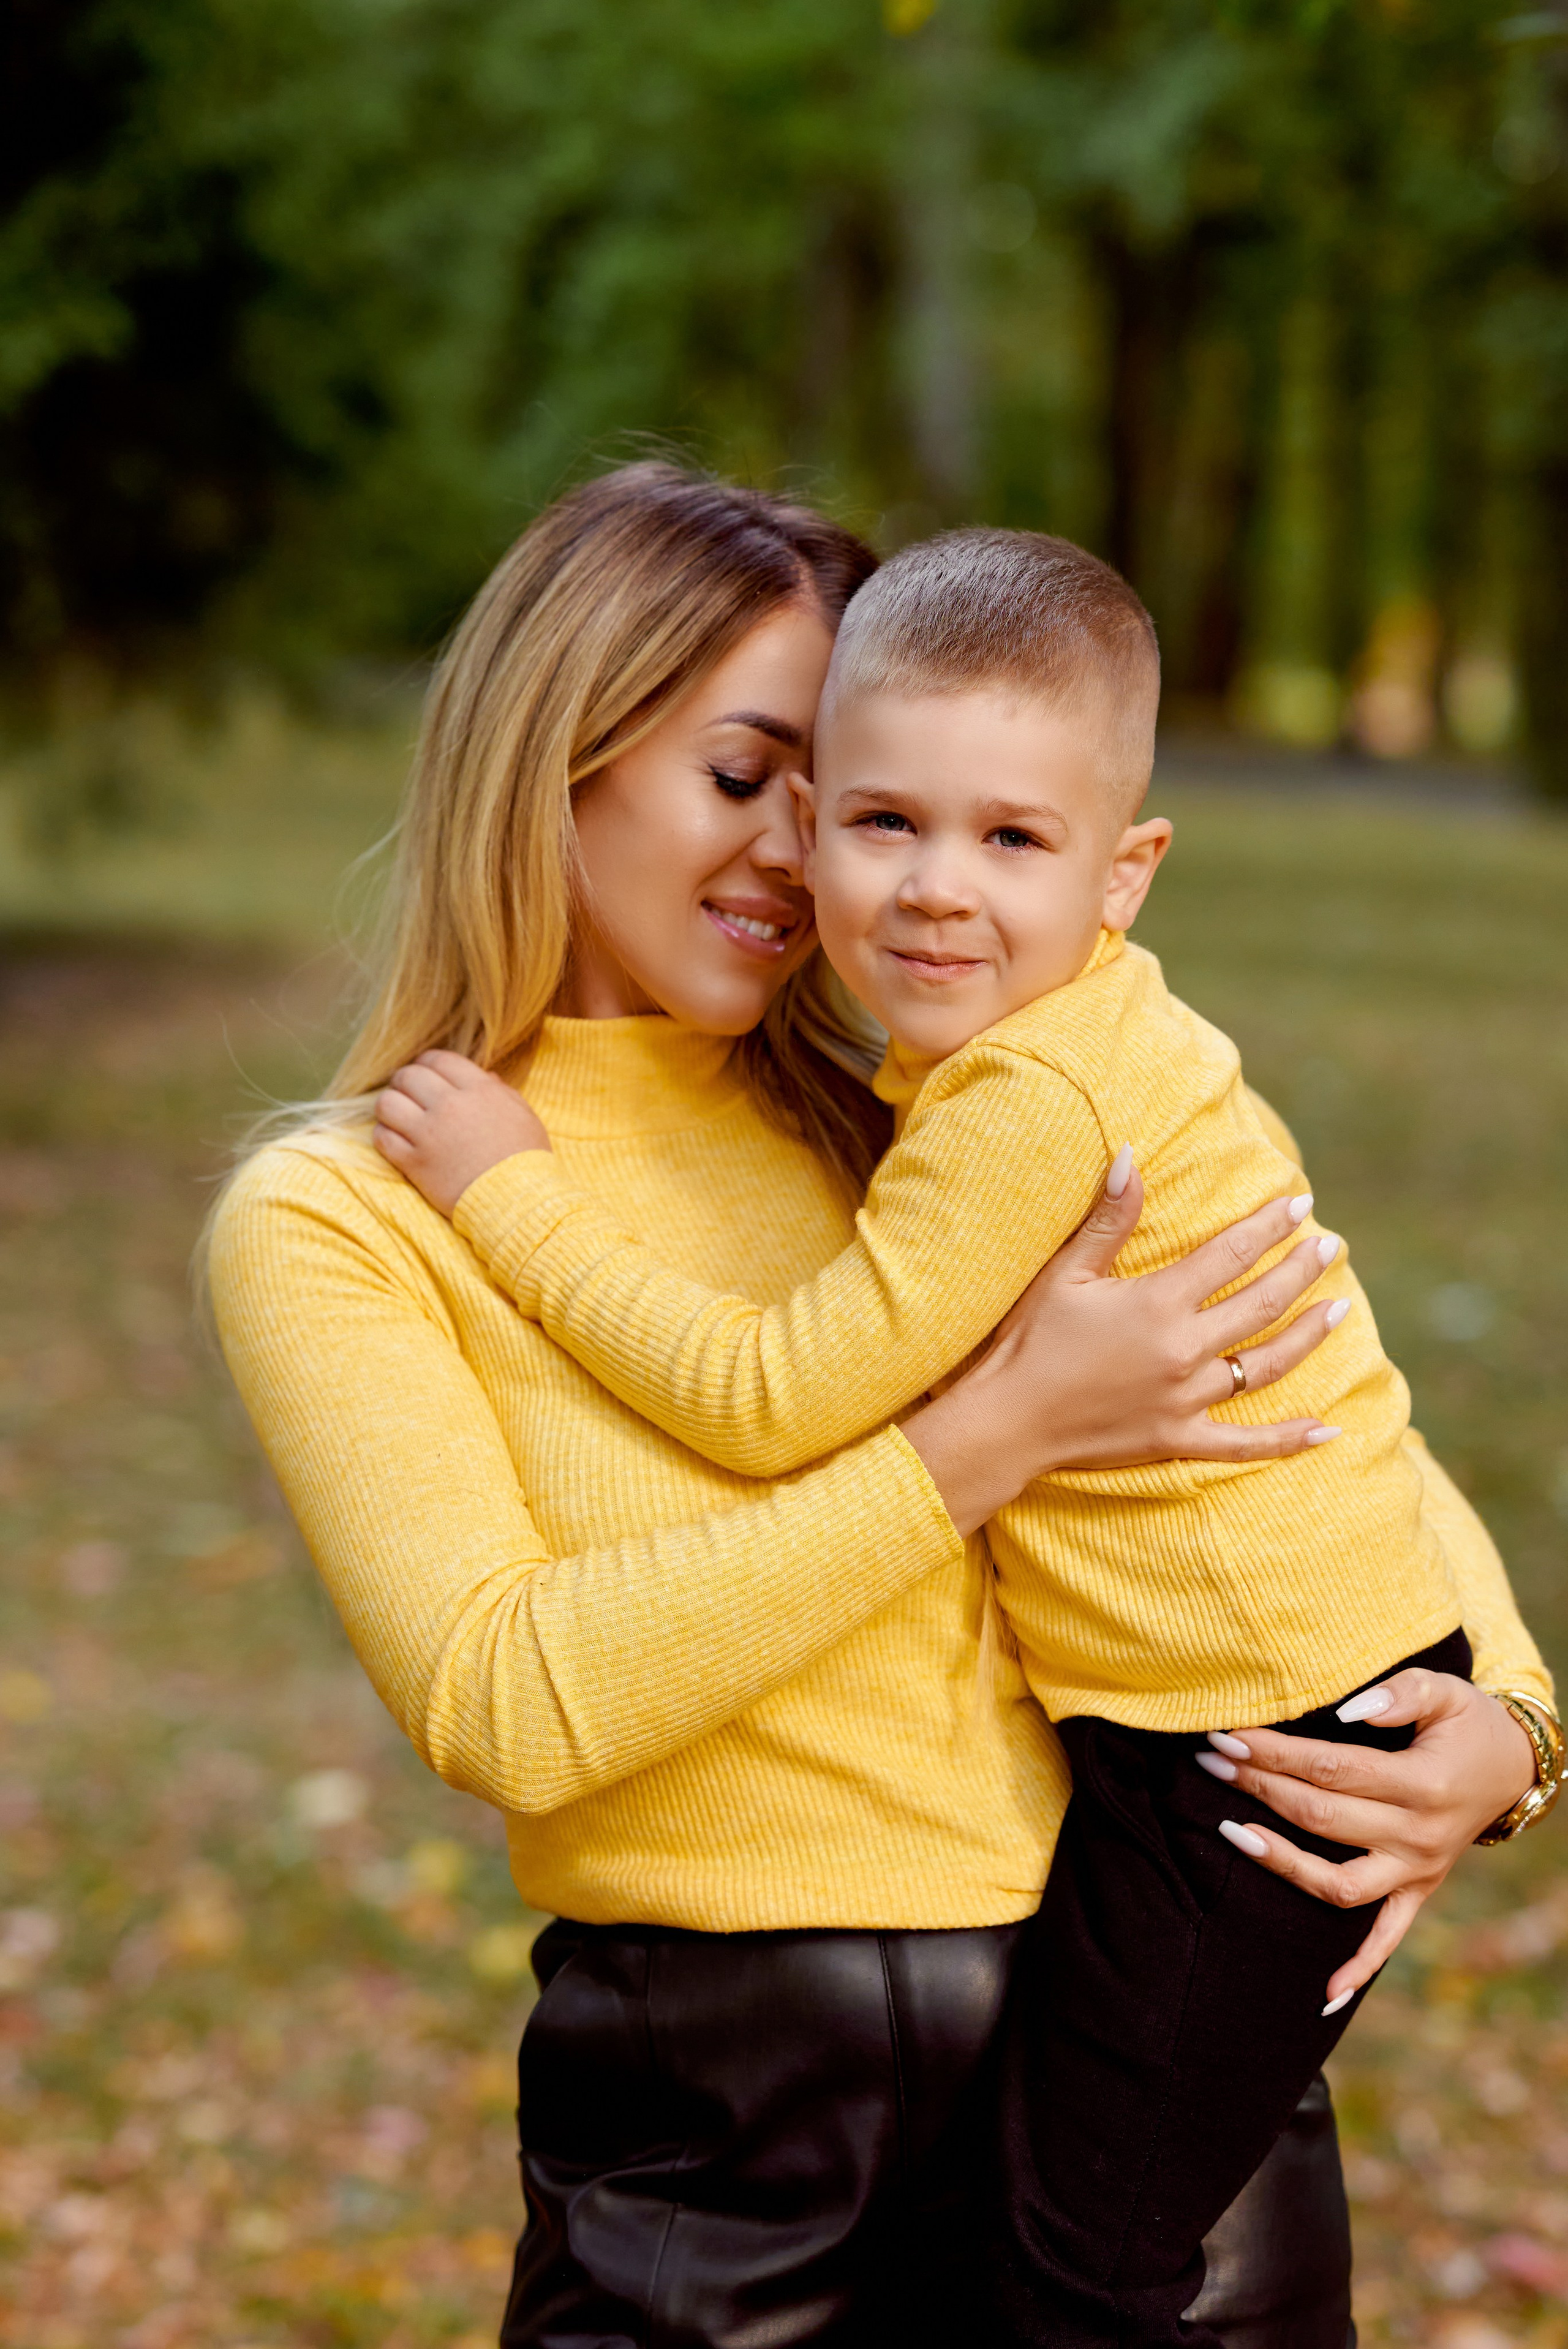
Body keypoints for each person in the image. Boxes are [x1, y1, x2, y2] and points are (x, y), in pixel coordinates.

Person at [209, 466, 1550, 2349]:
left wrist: (1510, 1724)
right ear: (553, 758)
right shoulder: (358, 1207)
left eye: (830, 790)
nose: (805, 853)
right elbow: (505, 1694)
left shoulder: (947, 1114)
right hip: (727, 2125)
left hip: (1125, 2022)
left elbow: (1327, 1395)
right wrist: (992, 1435)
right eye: (753, 778)